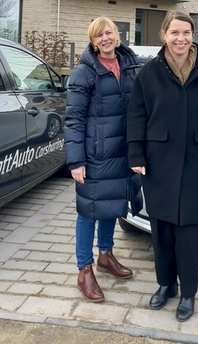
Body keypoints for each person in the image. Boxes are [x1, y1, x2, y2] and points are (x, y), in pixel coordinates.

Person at [128, 10, 198, 322]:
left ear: (192, 36)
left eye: (186, 33)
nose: (181, 38)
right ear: (164, 35)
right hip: (158, 160)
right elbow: (135, 115)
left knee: (188, 230)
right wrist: (135, 153)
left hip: (197, 161)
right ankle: (166, 285)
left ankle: (188, 292)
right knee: (160, 227)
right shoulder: (149, 73)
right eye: (175, 33)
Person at [65, 16, 139, 303]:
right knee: (88, 212)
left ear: (116, 35)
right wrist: (75, 161)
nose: (105, 38)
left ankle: (106, 255)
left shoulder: (129, 64)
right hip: (94, 155)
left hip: (121, 151)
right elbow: (73, 119)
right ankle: (84, 269)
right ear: (93, 41)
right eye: (98, 36)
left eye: (108, 32)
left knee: (111, 205)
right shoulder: (84, 72)